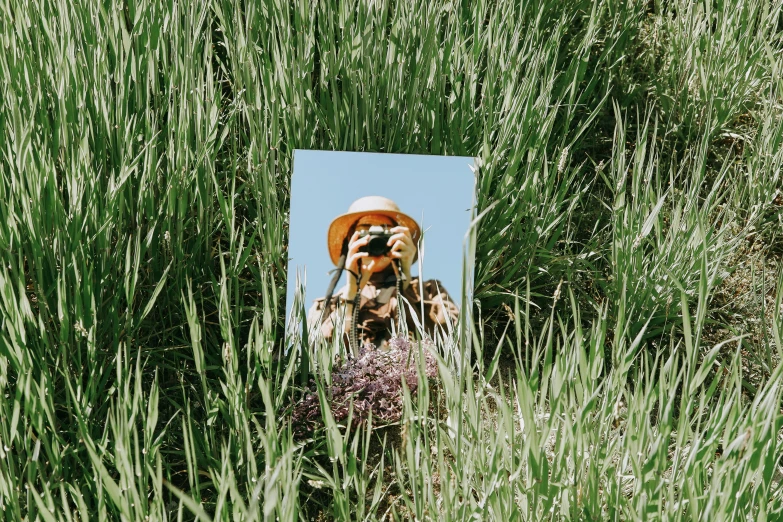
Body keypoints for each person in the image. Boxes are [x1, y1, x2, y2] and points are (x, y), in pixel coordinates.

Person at [308, 196, 459, 352]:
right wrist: (351, 295)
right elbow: (314, 354)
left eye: (384, 231)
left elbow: (455, 343)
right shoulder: (326, 305)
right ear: (349, 243)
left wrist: (405, 285)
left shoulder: (430, 291)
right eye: (365, 232)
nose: (375, 239)